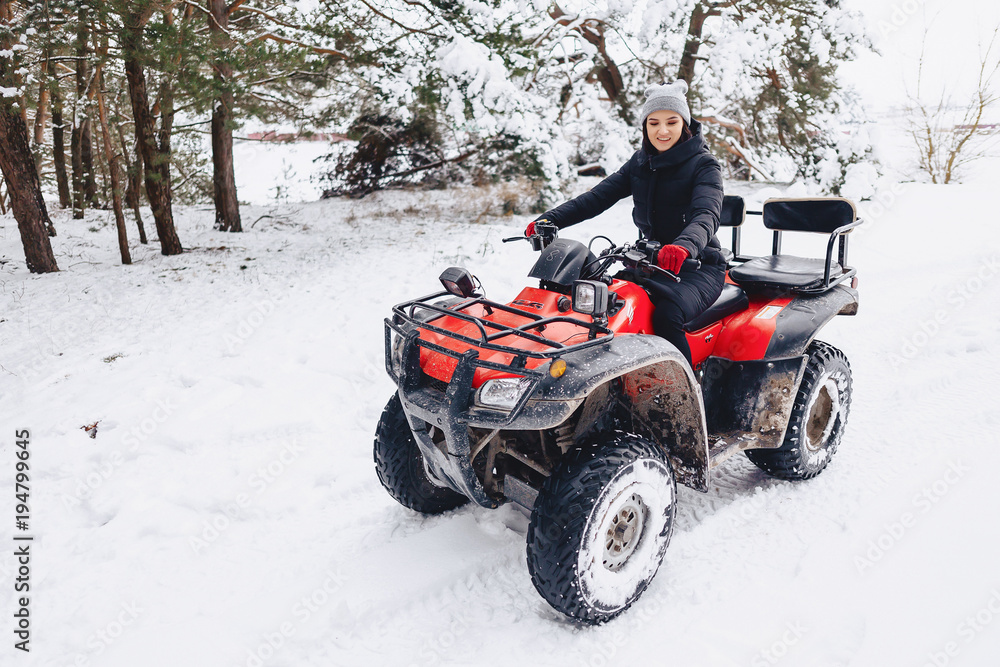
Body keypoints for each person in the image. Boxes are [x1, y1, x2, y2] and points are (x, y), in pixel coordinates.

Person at [525, 80, 725, 366]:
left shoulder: (704, 165)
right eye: (654, 123)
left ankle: (682, 392)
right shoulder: (640, 163)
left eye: (671, 121)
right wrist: (551, 218)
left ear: (685, 123)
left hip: (697, 266)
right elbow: (597, 198)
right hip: (649, 262)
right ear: (645, 126)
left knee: (667, 315)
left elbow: (706, 215)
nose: (663, 130)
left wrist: (683, 246)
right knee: (605, 306)